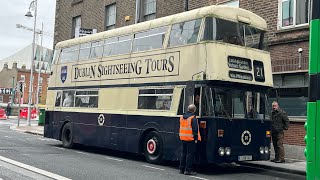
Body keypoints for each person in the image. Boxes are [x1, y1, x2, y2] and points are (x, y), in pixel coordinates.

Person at [179, 104, 201, 175]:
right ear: (194, 110)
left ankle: (181, 169)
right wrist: (195, 138)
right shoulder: (193, 118)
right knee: (190, 155)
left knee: (183, 154)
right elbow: (195, 129)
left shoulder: (182, 117)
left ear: (188, 109)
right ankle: (188, 170)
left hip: (183, 137)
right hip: (190, 139)